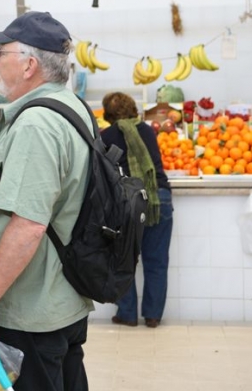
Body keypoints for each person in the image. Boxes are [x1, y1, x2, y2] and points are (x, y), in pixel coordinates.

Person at [0, 11, 93, 391]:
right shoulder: (70, 106)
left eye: (1, 52)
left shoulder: (37, 125)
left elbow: (29, 226)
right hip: (57, 298)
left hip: (29, 311)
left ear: (29, 64)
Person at [100, 92, 173, 328]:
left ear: (108, 114)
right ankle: (153, 316)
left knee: (123, 260)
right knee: (157, 261)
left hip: (126, 202)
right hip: (158, 198)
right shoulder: (148, 131)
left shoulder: (106, 136)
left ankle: (127, 314)